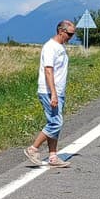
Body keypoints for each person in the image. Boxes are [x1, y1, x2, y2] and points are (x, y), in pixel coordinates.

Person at [25, 20, 76, 168]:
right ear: (61, 31)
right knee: (56, 123)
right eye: (70, 34)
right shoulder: (50, 47)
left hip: (58, 91)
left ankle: (53, 156)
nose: (71, 37)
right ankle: (33, 149)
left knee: (54, 123)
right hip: (49, 91)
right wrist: (53, 93)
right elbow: (48, 70)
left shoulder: (60, 47)